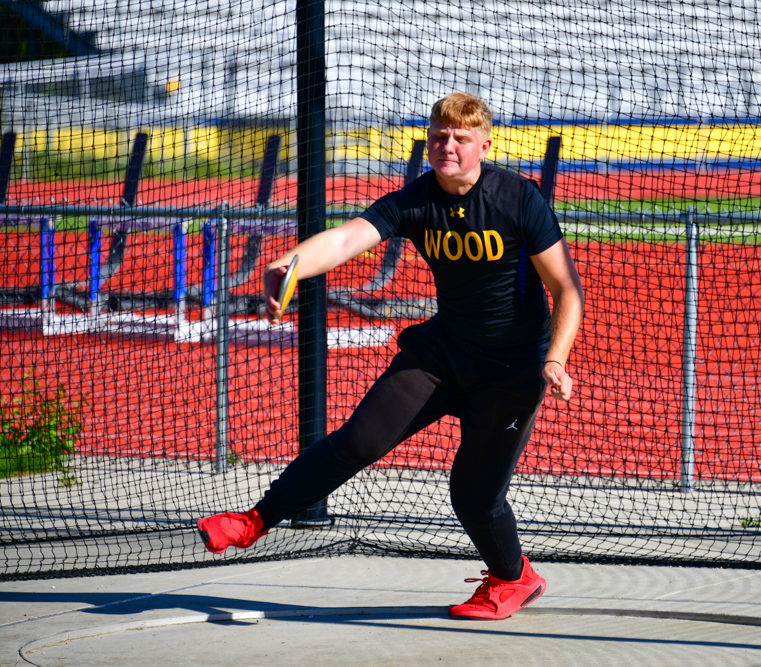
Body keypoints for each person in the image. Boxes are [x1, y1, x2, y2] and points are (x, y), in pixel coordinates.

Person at [197, 92, 585, 621]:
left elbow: (567, 290)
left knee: (473, 495)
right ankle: (252, 523)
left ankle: (513, 577)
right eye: (439, 136)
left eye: (461, 138)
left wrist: (555, 360)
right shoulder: (414, 199)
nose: (447, 146)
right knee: (358, 440)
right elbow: (345, 240)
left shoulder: (519, 199)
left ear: (485, 145)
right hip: (444, 351)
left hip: (512, 369)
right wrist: (289, 263)